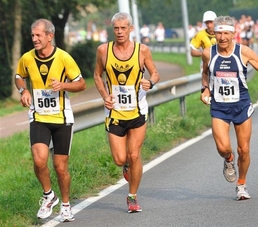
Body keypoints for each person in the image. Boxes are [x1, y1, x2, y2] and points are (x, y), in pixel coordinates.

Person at [15, 19, 86, 221]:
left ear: (49, 36)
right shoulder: (27, 58)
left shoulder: (64, 58)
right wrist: (24, 90)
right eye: (32, 35)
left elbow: (80, 84)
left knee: (60, 167)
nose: (34, 39)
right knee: (39, 161)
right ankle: (49, 195)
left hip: (62, 118)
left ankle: (65, 205)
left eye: (38, 35)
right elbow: (19, 76)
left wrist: (63, 85)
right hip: (38, 116)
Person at [200, 15, 258, 200]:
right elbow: (205, 73)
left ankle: (241, 184)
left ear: (233, 33)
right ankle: (228, 159)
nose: (223, 37)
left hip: (241, 105)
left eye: (226, 33)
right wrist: (205, 89)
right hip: (219, 106)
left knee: (244, 149)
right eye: (219, 33)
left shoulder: (244, 52)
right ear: (214, 34)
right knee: (223, 148)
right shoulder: (208, 54)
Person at [93, 12, 160, 212]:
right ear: (112, 30)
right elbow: (97, 75)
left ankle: (132, 197)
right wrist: (105, 96)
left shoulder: (142, 51)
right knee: (120, 159)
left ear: (131, 29)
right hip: (115, 114)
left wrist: (151, 82)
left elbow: (155, 73)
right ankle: (126, 167)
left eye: (124, 28)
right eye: (116, 28)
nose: (120, 32)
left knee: (134, 154)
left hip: (137, 112)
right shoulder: (103, 51)